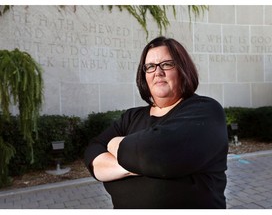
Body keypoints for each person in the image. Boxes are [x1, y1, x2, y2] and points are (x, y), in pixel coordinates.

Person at [84, 36, 228, 209]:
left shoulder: (205, 110)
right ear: (144, 75)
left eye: (167, 64)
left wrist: (115, 145)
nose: (158, 72)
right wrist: (137, 166)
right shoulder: (131, 117)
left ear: (183, 70)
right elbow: (93, 154)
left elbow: (155, 153)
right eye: (150, 67)